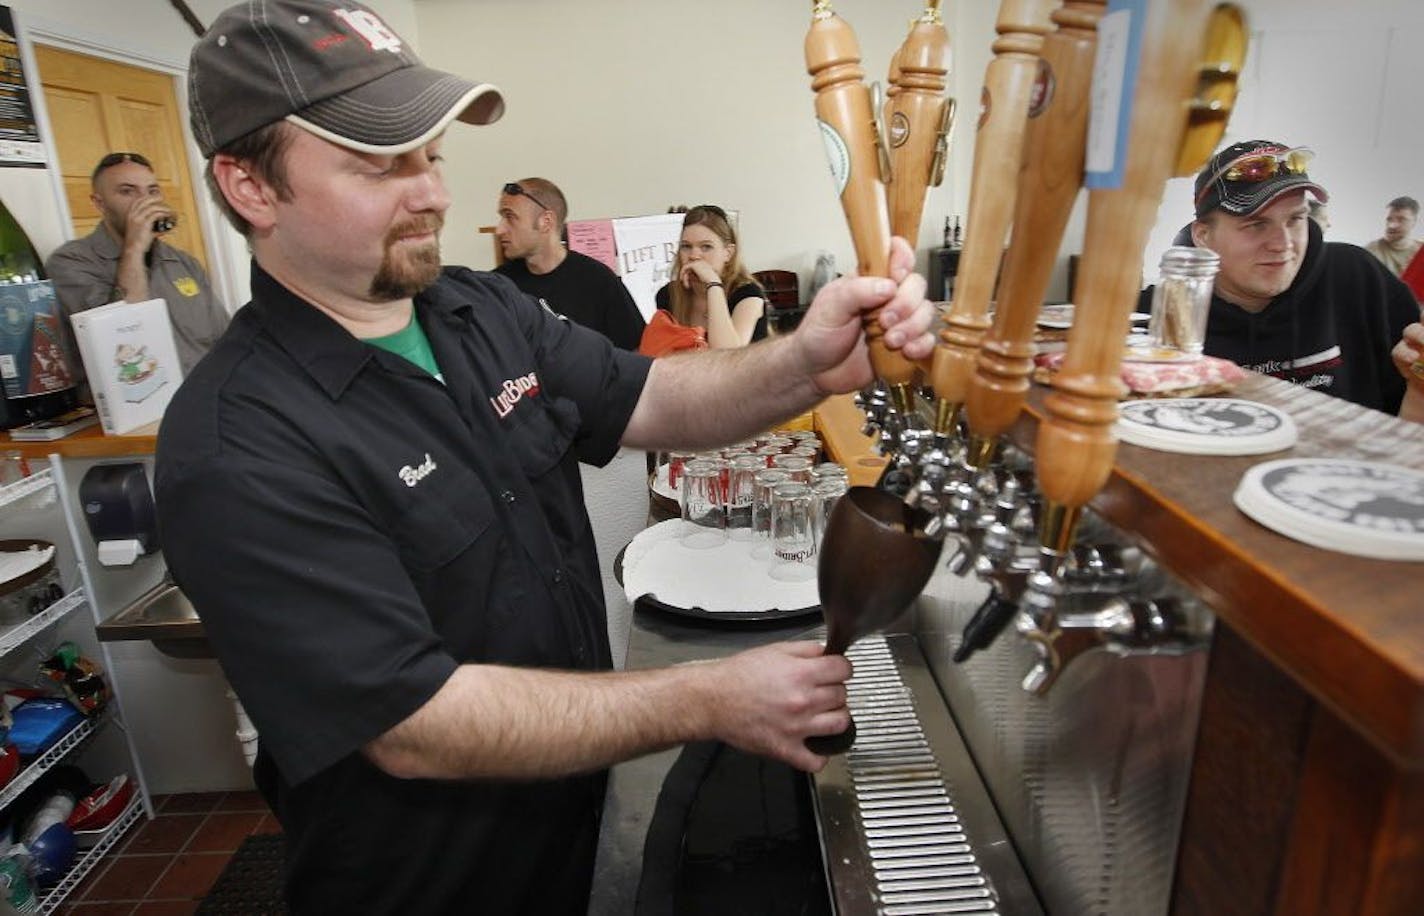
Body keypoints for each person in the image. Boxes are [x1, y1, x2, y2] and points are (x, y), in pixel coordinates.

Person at [157, 2, 934, 913]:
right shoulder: (237, 444)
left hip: (576, 815)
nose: (436, 193)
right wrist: (707, 697)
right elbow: (417, 722)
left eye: (433, 154)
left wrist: (810, 362)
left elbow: (654, 395)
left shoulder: (479, 310)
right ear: (251, 187)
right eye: (380, 163)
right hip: (436, 883)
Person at [1140, 139, 1423, 418]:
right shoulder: (1154, 315)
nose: (1282, 243)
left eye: (1295, 219)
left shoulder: (1358, 278)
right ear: (1203, 236)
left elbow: (1411, 403)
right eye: (1256, 224)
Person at [44, 151, 230, 378]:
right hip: (140, 403)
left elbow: (225, 340)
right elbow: (120, 340)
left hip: (207, 397)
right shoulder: (70, 262)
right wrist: (134, 248)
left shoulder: (184, 263)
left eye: (152, 191)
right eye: (127, 191)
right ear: (99, 204)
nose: (146, 201)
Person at [493, 177, 646, 349]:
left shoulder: (598, 281)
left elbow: (636, 351)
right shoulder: (498, 287)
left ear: (546, 221)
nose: (499, 230)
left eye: (510, 217)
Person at [655, 204, 767, 348]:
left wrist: (713, 284)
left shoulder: (748, 294)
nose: (694, 256)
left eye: (706, 247)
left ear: (728, 253)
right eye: (686, 246)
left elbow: (727, 356)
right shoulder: (668, 295)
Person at [1364, 195, 1421, 278]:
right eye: (1389, 219)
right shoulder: (1372, 251)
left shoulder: (1420, 252)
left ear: (1414, 222)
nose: (1392, 225)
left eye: (1401, 219)